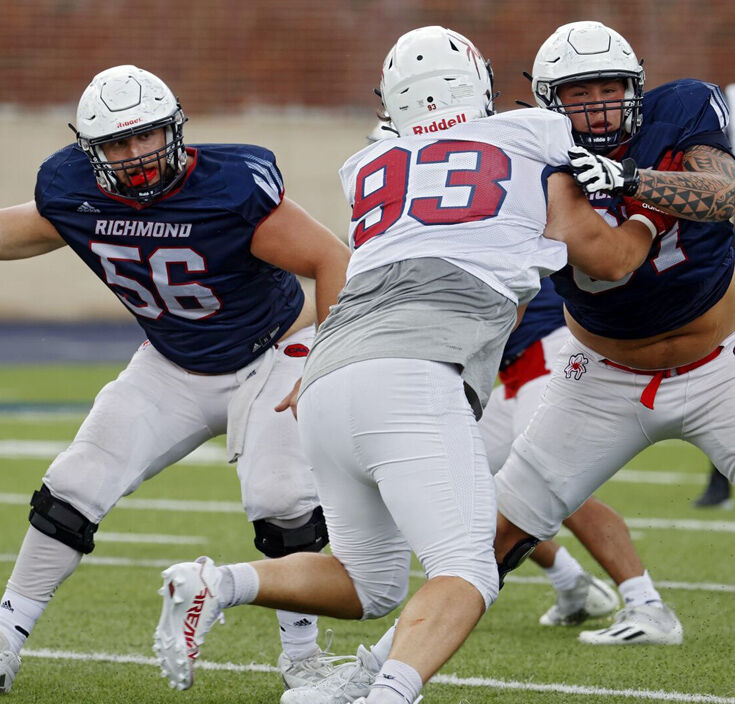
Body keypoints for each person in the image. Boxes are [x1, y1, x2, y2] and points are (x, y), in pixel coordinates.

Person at [0, 63, 352, 694]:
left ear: (174, 130)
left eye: (146, 136)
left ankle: (306, 660)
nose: (134, 153)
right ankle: (0, 645)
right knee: (74, 482)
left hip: (273, 347)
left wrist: (322, 362)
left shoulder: (230, 186)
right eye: (117, 143)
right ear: (91, 151)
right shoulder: (75, 190)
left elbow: (329, 257)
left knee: (281, 498)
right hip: (173, 361)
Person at [153, 26, 657, 704]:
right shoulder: (532, 133)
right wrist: (646, 215)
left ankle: (216, 584)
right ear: (478, 85)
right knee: (467, 571)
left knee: (369, 584)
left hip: (327, 372)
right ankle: (389, 695)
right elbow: (601, 245)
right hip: (413, 370)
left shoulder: (365, 168)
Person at [495, 19, 735, 646]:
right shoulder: (529, 156)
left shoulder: (682, 107)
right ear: (550, 100)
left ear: (636, 85)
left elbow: (727, 193)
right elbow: (598, 263)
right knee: (497, 533)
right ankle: (388, 668)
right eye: (580, 92)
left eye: (609, 86)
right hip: (601, 376)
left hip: (721, 359)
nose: (599, 103)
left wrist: (633, 181)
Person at [479, 279, 623, 627]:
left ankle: (644, 598)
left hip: (550, 363)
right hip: (516, 379)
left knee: (551, 483)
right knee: (451, 479)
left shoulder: (497, 230)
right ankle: (573, 583)